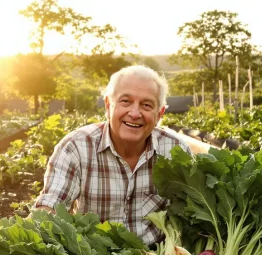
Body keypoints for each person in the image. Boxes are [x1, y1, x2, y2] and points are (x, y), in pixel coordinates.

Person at [33, 64, 193, 245]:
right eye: (125, 101)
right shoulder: (76, 147)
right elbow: (52, 205)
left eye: (146, 105)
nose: (134, 113)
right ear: (109, 105)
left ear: (159, 114)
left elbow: (190, 211)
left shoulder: (175, 150)